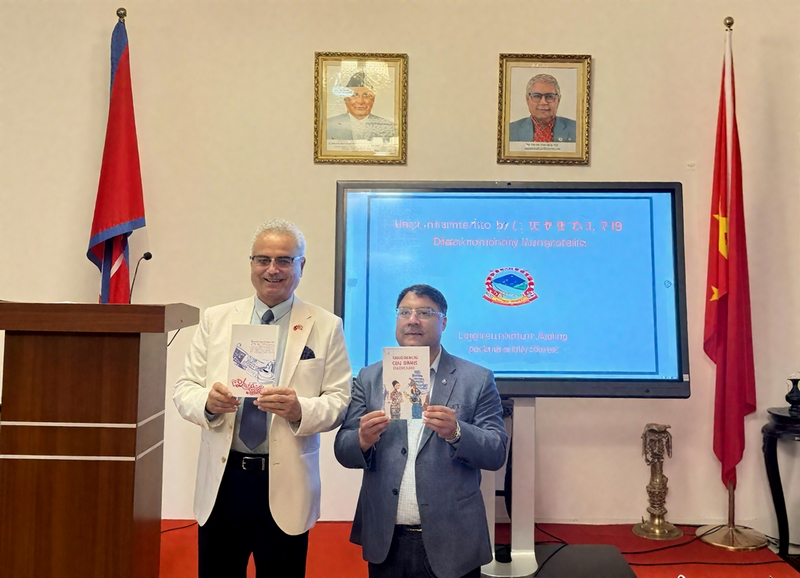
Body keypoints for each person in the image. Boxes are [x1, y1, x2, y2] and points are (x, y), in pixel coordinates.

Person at [173, 218, 352, 578]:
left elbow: (339, 401)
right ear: (251, 264)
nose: (273, 269)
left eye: (284, 260)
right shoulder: (216, 318)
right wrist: (207, 403)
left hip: (286, 483)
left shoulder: (325, 324)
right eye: (263, 259)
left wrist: (301, 409)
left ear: (301, 265)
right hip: (223, 481)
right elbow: (184, 388)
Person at [334, 284, 508, 578]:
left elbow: (496, 452)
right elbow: (343, 449)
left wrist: (457, 432)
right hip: (386, 539)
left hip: (453, 539)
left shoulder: (476, 379)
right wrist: (362, 440)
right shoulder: (369, 377)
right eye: (405, 312)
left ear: (444, 322)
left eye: (425, 313)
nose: (412, 320)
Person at [326, 71, 397, 141]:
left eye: (366, 95)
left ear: (373, 99)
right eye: (354, 95)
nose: (360, 101)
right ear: (346, 99)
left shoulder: (389, 127)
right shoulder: (329, 125)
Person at [509, 73, 576, 143]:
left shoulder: (577, 129)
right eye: (537, 96)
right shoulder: (509, 131)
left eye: (549, 96)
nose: (543, 102)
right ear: (527, 99)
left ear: (558, 100)